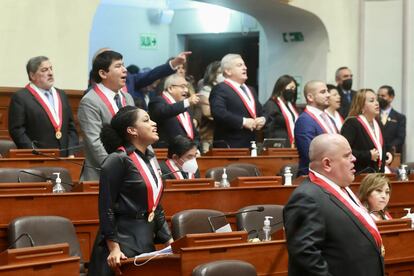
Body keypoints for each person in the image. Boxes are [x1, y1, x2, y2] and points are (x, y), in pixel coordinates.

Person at [87, 106, 172, 276]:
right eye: (146, 120)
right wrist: (114, 248)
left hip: (145, 238)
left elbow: (155, 205)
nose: (154, 124)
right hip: (121, 242)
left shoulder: (150, 159)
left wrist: (169, 240)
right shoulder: (117, 160)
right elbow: (106, 208)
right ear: (132, 130)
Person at [284, 134, 385, 276]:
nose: (354, 159)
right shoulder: (306, 198)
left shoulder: (341, 187)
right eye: (347, 155)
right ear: (327, 164)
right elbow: (307, 259)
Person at [78, 50, 136, 181]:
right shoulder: (90, 101)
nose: (124, 70)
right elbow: (94, 142)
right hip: (102, 175)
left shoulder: (127, 97)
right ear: (103, 73)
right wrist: (116, 169)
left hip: (130, 172)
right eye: (118, 66)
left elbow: (138, 131)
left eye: (123, 65)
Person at [8, 56, 79, 157]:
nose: (50, 73)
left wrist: (71, 152)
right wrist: (35, 153)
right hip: (38, 159)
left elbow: (71, 127)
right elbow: (17, 131)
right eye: (44, 70)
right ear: (32, 75)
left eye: (51, 68)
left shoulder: (61, 95)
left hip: (65, 158)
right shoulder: (21, 97)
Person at [209, 53, 265, 148]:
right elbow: (219, 113)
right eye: (240, 65)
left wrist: (263, 119)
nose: (245, 68)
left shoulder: (250, 89)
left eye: (244, 65)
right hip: (231, 145)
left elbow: (261, 111)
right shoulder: (220, 88)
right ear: (228, 71)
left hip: (251, 144)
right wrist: (243, 122)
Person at [341, 88, 393, 173]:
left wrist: (389, 154)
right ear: (361, 106)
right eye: (372, 101)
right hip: (360, 174)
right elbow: (344, 150)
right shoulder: (352, 123)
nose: (377, 103)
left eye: (376, 100)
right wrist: (368, 155)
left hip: (378, 174)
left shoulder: (378, 123)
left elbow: (386, 145)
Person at [294, 80, 337, 175]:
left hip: (332, 173)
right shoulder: (304, 120)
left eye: (327, 91)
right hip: (314, 176)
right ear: (310, 97)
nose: (328, 95)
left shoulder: (328, 117)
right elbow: (309, 153)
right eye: (323, 92)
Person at [148, 74, 200, 148]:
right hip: (166, 152)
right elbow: (163, 112)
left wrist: (196, 147)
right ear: (170, 88)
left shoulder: (186, 107)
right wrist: (187, 102)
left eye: (186, 87)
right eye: (182, 86)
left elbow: (195, 134)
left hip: (188, 153)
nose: (186, 90)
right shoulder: (157, 101)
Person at [263, 74, 299, 147]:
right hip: (279, 146)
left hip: (293, 145)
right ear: (281, 88)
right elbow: (268, 129)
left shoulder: (291, 106)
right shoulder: (271, 105)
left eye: (294, 89)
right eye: (291, 88)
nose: (293, 91)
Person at [197, 61, 223, 153]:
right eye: (220, 72)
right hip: (208, 137)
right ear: (213, 74)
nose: (223, 75)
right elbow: (207, 112)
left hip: (223, 136)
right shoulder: (205, 91)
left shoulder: (225, 90)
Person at [377, 85, 406, 154]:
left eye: (383, 96)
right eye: (378, 95)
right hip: (376, 153)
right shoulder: (374, 115)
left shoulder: (400, 117)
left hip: (392, 153)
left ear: (391, 97)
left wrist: (388, 148)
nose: (379, 98)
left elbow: (400, 138)